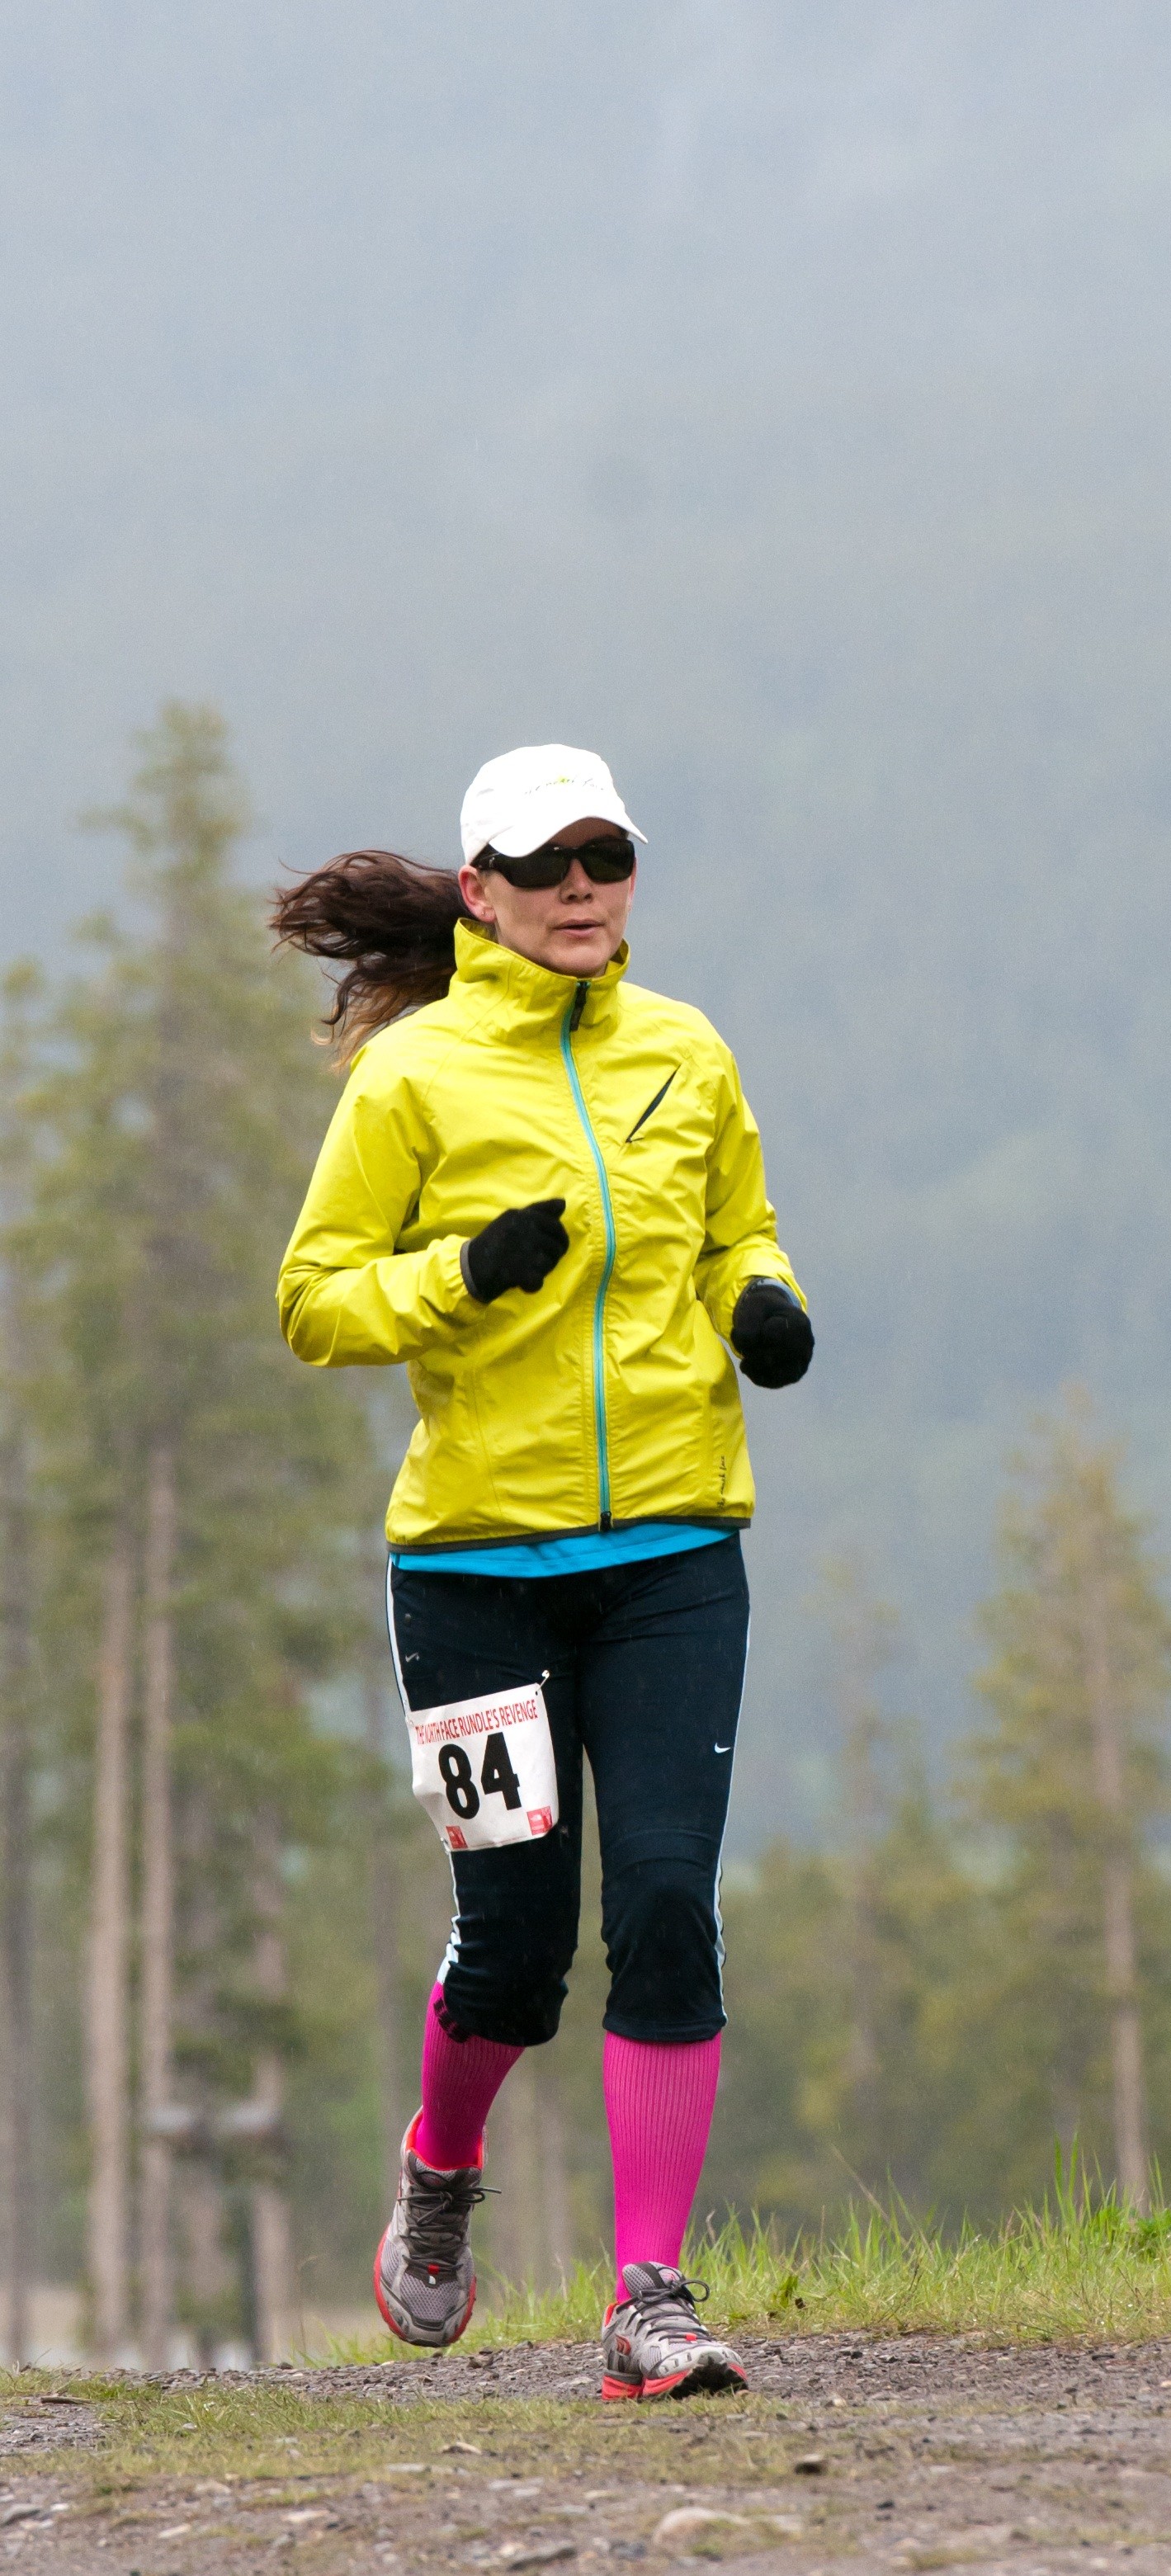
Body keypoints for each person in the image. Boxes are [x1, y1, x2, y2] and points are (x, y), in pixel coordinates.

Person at [274, 743, 812, 2399]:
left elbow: (737, 1229)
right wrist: (456, 1276)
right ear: (479, 892)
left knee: (662, 1904)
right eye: (547, 861)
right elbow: (316, 1298)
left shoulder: (686, 1053)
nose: (584, 886)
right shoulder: (413, 1079)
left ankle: (649, 2295)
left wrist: (761, 1299)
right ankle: (440, 2175)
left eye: (608, 854)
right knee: (511, 1940)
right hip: (474, 1574)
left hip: (672, 1554)